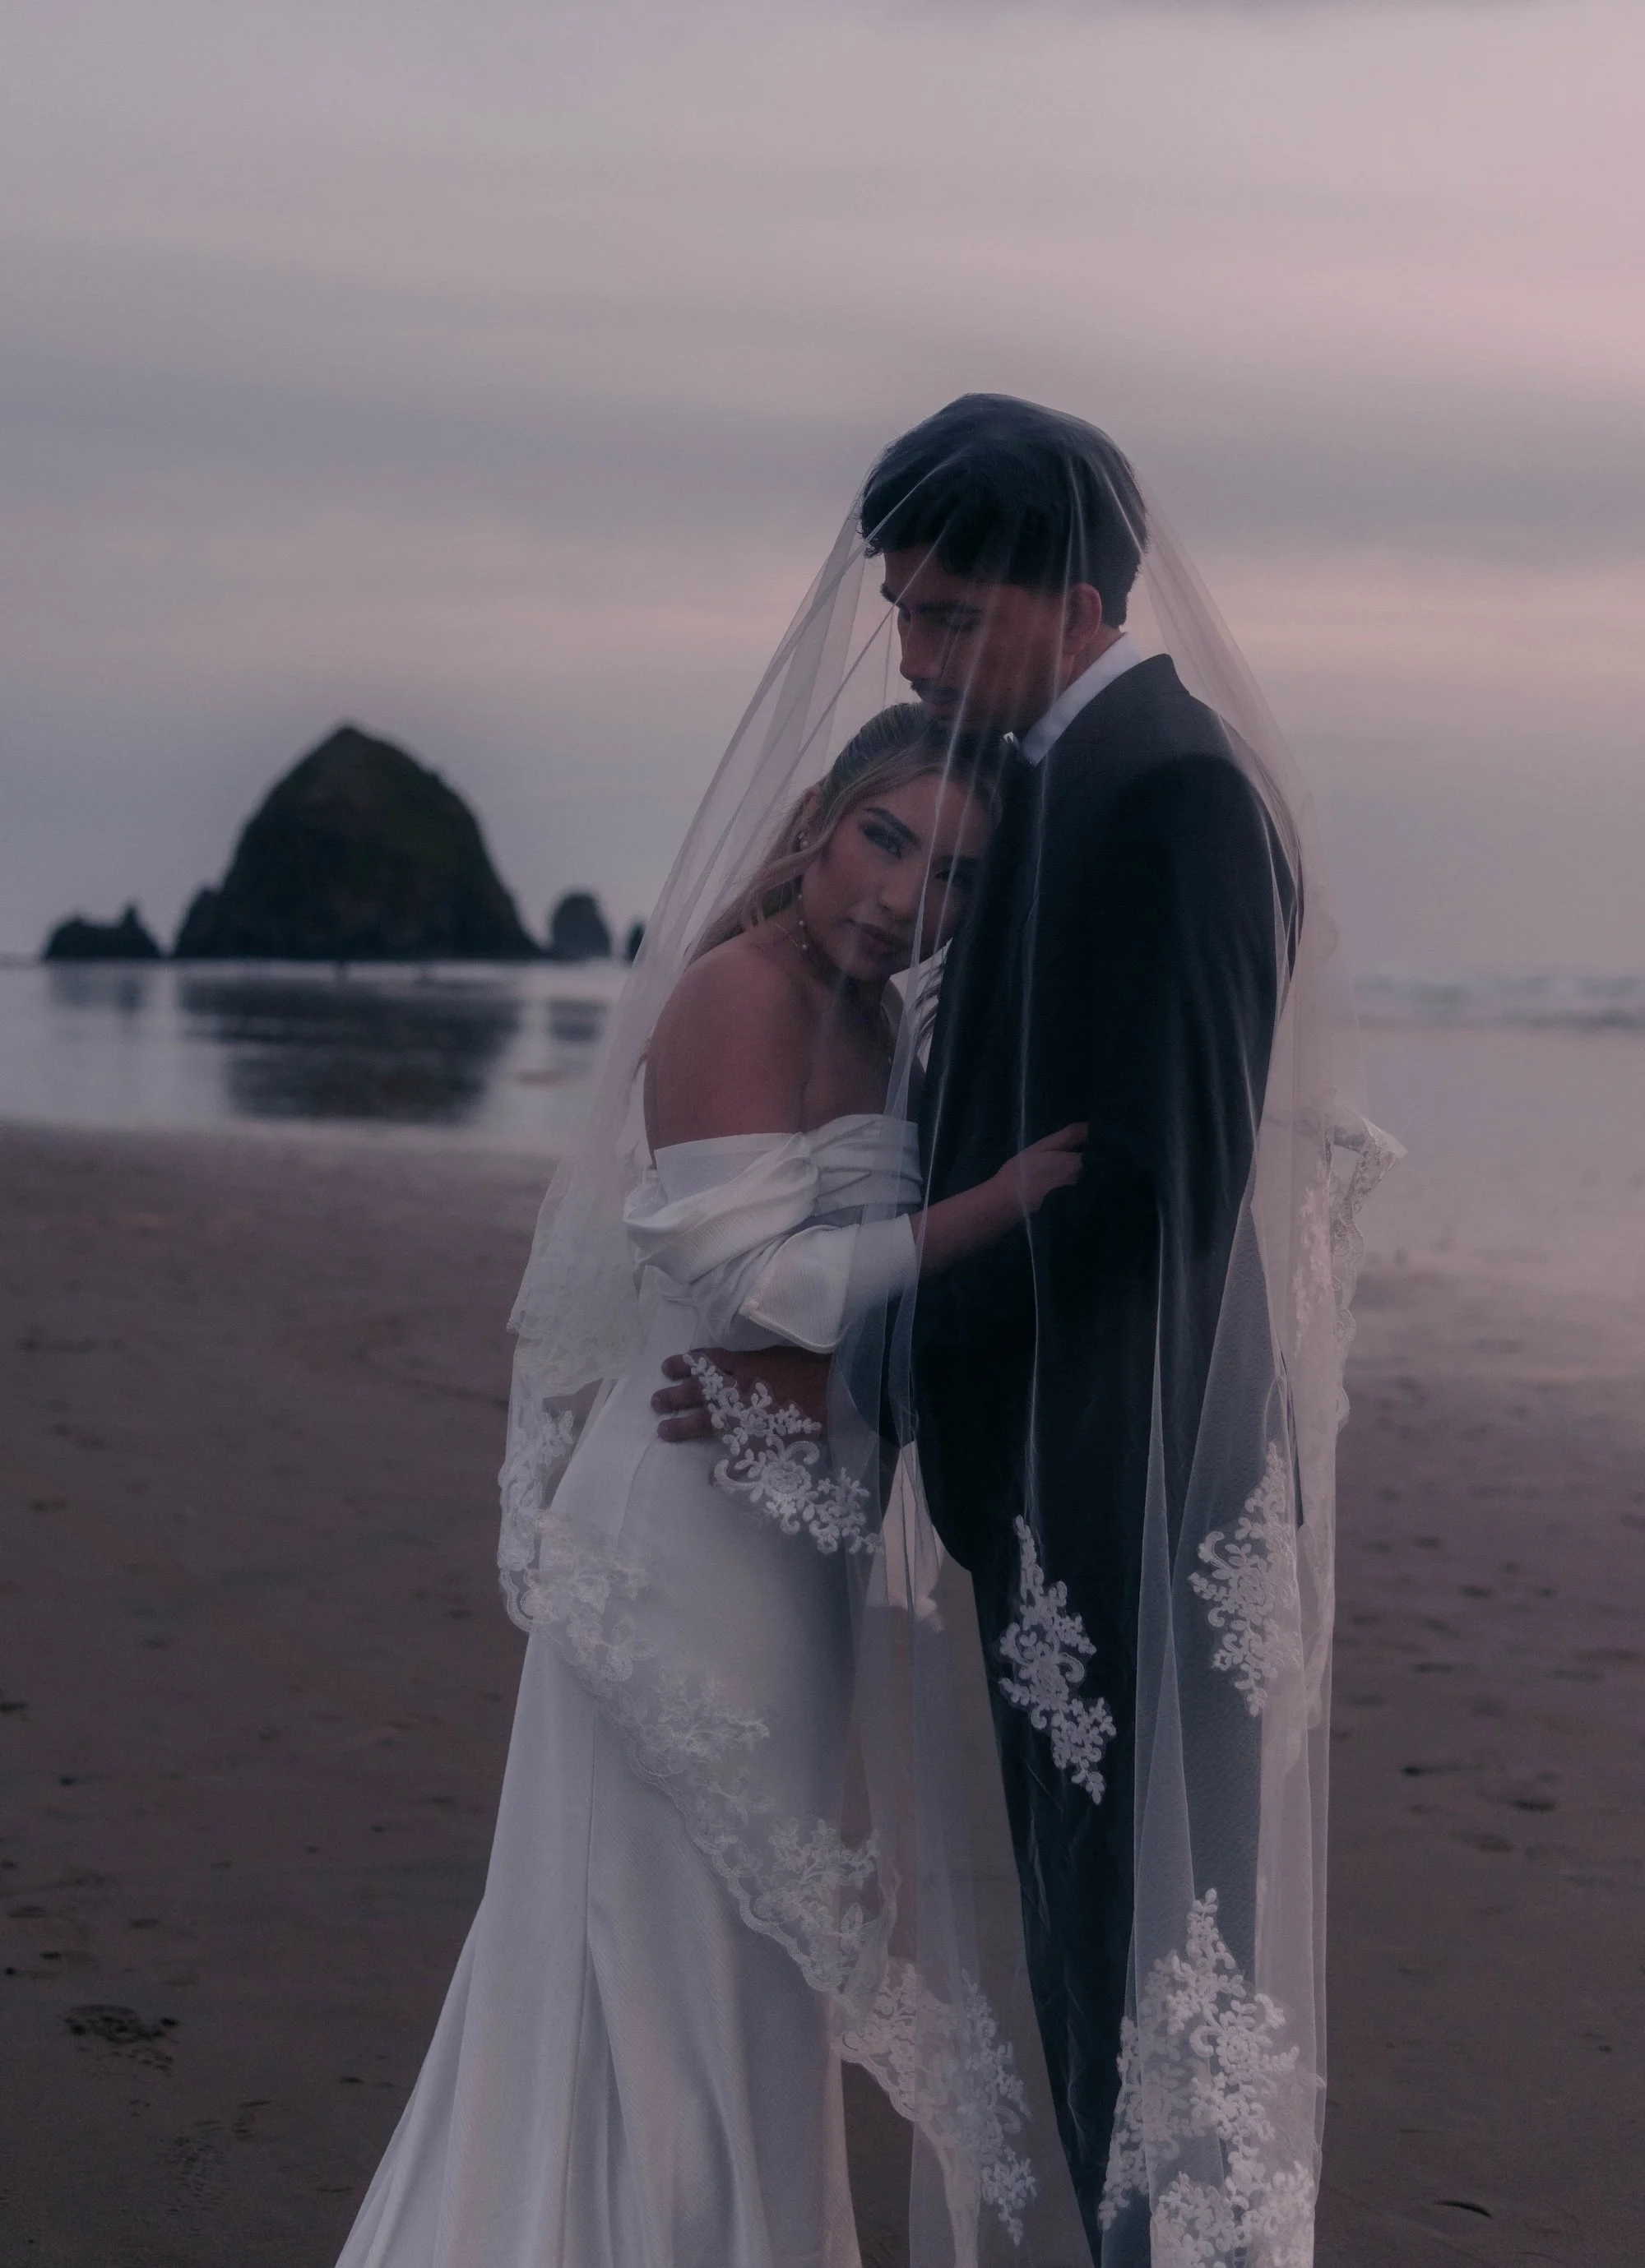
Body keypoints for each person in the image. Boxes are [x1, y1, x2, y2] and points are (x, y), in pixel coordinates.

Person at [652, 396, 1397, 2265]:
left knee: (1162, 1982)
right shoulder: (1054, 779)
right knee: (1099, 1976)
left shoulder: (1175, 793)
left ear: (1078, 603)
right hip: (1068, 1486)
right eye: (901, 610)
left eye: (951, 616)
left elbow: (1151, 1192)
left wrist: (858, 1369)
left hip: (1135, 1478)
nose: (911, 655)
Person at [332, 705, 1090, 2268]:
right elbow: (757, 1285)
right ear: (820, 819)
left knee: (742, 1943)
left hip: (790, 1536)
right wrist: (994, 1207)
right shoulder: (737, 991)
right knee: (651, 1921)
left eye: (954, 876)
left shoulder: (878, 1024)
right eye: (885, 839)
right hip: (681, 1525)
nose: (903, 897)